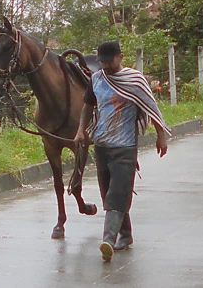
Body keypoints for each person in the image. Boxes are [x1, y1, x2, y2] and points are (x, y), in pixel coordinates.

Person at [74, 40, 171, 262]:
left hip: (125, 146)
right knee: (109, 191)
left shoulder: (135, 80)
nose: (105, 65)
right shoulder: (97, 79)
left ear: (120, 57)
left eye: (108, 61)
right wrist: (81, 130)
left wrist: (161, 135)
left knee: (117, 193)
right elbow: (88, 105)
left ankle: (108, 239)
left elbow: (151, 106)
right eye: (102, 62)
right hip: (101, 145)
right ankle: (125, 236)